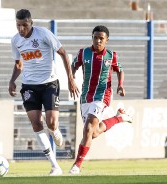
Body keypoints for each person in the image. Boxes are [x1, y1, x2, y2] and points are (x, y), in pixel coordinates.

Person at [8, 9, 78, 176]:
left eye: (24, 25)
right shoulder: (16, 40)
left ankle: (55, 131)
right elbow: (19, 64)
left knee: (52, 123)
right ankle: (55, 166)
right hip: (29, 86)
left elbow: (63, 54)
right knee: (36, 123)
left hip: (49, 84)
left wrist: (70, 79)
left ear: (31, 23)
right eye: (18, 26)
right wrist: (12, 81)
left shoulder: (44, 34)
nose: (21, 29)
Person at [69, 25, 133, 174]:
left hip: (102, 95)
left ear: (106, 40)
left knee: (88, 128)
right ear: (92, 38)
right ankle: (118, 118)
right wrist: (71, 81)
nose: (98, 41)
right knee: (93, 132)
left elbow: (120, 70)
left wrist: (120, 85)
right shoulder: (83, 53)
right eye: (95, 38)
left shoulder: (111, 56)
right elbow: (73, 66)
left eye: (101, 39)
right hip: (85, 96)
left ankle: (77, 165)